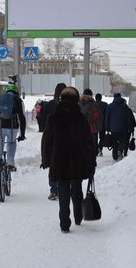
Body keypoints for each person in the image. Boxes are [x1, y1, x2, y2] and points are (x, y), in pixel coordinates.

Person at [41, 87, 97, 233]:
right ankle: (78, 216)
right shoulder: (81, 118)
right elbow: (88, 143)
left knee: (63, 189)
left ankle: (64, 223)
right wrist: (91, 162)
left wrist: (46, 160)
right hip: (77, 161)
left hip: (59, 161)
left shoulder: (53, 117)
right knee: (77, 188)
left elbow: (47, 140)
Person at [41, 83, 66, 201]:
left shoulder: (51, 104)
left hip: (52, 138)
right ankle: (65, 189)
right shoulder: (70, 104)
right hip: (67, 138)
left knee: (53, 163)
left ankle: (54, 190)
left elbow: (41, 117)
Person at [105, 93, 131, 161]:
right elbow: (128, 118)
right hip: (123, 128)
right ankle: (120, 151)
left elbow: (107, 118)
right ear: (120, 97)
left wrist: (107, 128)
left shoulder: (110, 106)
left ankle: (115, 156)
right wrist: (129, 127)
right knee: (122, 140)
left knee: (114, 142)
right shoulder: (125, 106)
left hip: (113, 128)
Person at [79, 89, 102, 156]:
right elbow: (97, 117)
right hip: (92, 128)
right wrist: (99, 127)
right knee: (93, 145)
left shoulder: (78, 103)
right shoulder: (94, 104)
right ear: (91, 95)